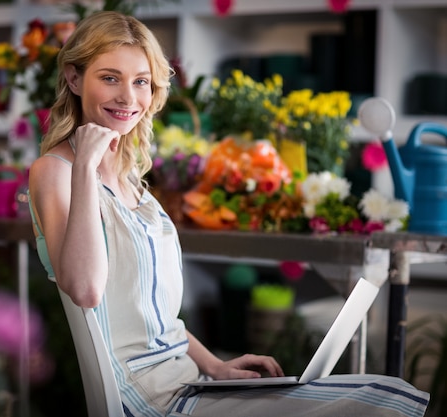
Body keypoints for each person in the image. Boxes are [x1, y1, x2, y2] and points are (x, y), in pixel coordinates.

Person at [27, 10, 429, 417]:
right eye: (110, 78)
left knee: (382, 392)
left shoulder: (132, 180)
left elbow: (151, 316)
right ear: (75, 79)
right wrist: (84, 167)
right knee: (372, 407)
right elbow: (85, 289)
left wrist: (216, 367)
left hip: (189, 383)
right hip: (147, 399)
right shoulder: (55, 172)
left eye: (141, 81)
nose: (128, 98)